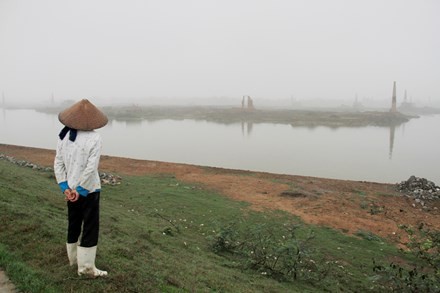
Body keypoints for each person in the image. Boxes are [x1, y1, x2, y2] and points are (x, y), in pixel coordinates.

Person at [54, 99, 108, 277]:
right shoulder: (95, 138)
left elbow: (58, 163)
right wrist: (81, 190)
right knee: (90, 227)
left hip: (71, 190)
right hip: (89, 190)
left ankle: (73, 260)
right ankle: (86, 269)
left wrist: (66, 188)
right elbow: (91, 168)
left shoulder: (63, 137)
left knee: (74, 223)